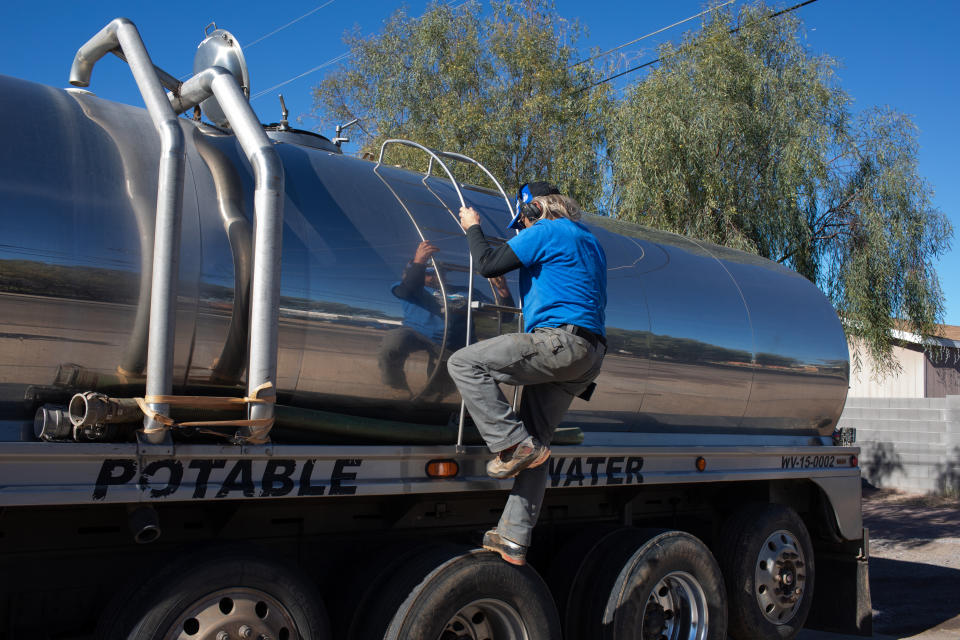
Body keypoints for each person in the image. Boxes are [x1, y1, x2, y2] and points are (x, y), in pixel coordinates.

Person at [447, 183, 607, 565]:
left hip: (558, 341)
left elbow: (487, 262)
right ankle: (514, 538)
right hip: (589, 352)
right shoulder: (589, 241)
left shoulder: (546, 230)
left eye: (522, 221)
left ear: (535, 210)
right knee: (538, 445)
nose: (521, 231)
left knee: (464, 363)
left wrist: (472, 226)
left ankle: (509, 443)